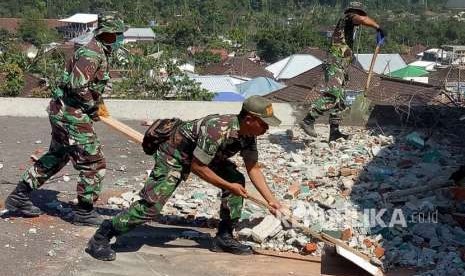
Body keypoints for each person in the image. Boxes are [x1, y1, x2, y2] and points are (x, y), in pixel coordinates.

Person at [86, 96, 283, 261]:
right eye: (265, 124)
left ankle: (224, 237)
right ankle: (102, 236)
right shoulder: (216, 129)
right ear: (249, 119)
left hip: (204, 156)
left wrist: (271, 201)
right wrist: (227, 186)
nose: (267, 128)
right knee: (151, 207)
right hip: (175, 155)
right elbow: (198, 168)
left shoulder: (249, 135)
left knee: (236, 178)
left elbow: (253, 168)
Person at [4, 13, 126, 227]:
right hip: (71, 114)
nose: (120, 39)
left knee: (57, 156)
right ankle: (84, 212)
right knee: (93, 162)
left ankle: (19, 197)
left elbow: (88, 86)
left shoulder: (96, 50)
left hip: (65, 111)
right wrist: (92, 106)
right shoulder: (91, 53)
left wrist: (98, 105)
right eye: (117, 34)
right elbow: (78, 86)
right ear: (107, 34)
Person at [300, 1, 385, 141]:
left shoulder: (349, 28)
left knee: (339, 100)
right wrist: (378, 27)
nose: (361, 19)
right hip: (335, 63)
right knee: (333, 95)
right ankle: (308, 120)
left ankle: (334, 132)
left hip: (342, 65)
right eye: (361, 14)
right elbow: (360, 19)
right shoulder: (349, 17)